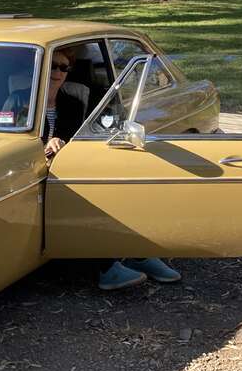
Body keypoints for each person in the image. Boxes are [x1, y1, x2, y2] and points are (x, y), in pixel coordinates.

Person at [43, 47, 181, 291]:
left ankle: (139, 253)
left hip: (71, 167)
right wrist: (44, 145)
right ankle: (105, 267)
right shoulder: (22, 101)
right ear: (42, 68)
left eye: (64, 67)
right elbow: (10, 141)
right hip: (38, 172)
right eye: (52, 65)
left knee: (125, 184)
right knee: (91, 196)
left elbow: (84, 137)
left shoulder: (74, 101)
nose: (58, 72)